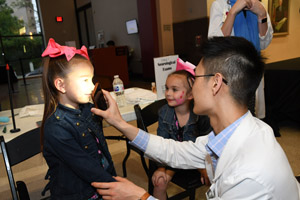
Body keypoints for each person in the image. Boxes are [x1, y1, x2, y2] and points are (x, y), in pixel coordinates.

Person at [90, 37, 300, 200]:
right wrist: (119, 122)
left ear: (216, 83)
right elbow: (174, 151)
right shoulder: (236, 131)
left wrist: (139, 196)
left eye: (195, 77)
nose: (192, 85)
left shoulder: (248, 177)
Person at [40, 38, 116, 199]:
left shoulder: (88, 109)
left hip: (100, 184)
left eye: (92, 79)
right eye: (84, 80)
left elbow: (99, 148)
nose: (91, 86)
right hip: (78, 194)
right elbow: (85, 167)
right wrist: (117, 187)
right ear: (61, 85)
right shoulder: (57, 127)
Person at [151, 65, 211, 199]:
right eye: (167, 88)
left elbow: (205, 147)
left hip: (195, 160)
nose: (168, 93)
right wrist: (161, 168)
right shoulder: (164, 112)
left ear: (190, 95)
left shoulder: (201, 115)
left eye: (174, 89)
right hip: (172, 157)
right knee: (159, 182)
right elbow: (162, 143)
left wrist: (203, 169)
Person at [208, 0, 273, 119]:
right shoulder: (220, 5)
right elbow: (216, 42)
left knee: (251, 116)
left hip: (252, 68)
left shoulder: (258, 5)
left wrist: (262, 15)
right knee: (231, 116)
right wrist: (232, 12)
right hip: (230, 71)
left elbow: (264, 43)